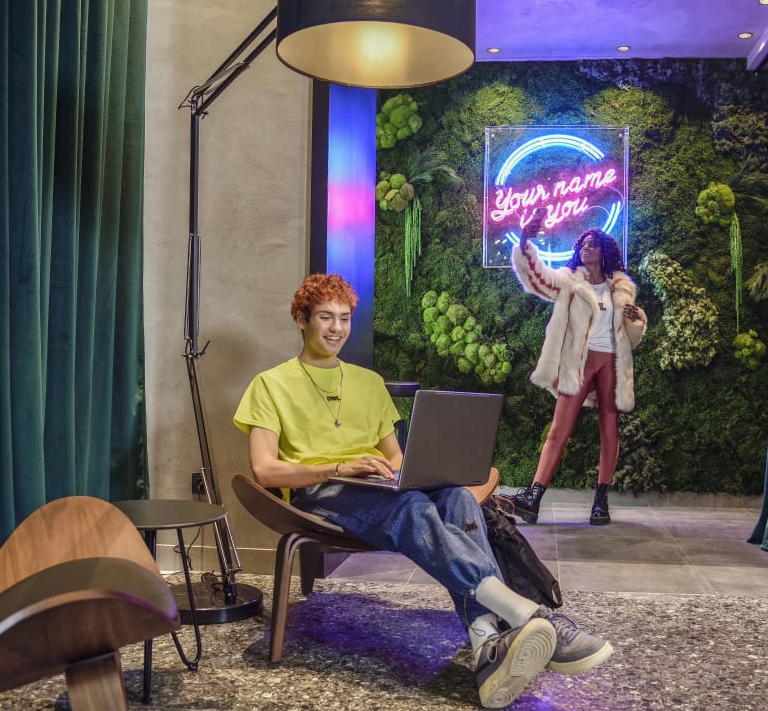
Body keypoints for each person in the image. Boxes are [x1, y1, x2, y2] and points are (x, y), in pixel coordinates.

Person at [233, 273, 613, 709]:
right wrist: (337, 467)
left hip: (378, 489)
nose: (336, 328)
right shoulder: (270, 384)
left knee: (456, 498)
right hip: (319, 493)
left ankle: (487, 646)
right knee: (412, 506)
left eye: (344, 318)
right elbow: (264, 470)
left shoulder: (368, 383)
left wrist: (421, 473)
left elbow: (396, 460)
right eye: (325, 317)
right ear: (302, 320)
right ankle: (527, 614)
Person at [503, 215, 647, 526]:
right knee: (559, 429)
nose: (586, 248)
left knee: (609, 429)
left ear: (604, 251)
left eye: (593, 244)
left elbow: (632, 337)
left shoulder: (621, 288)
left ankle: (601, 500)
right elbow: (538, 279)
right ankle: (534, 497)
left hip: (612, 362)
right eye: (583, 244)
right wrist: (525, 243)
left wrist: (636, 318)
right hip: (578, 363)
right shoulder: (569, 281)